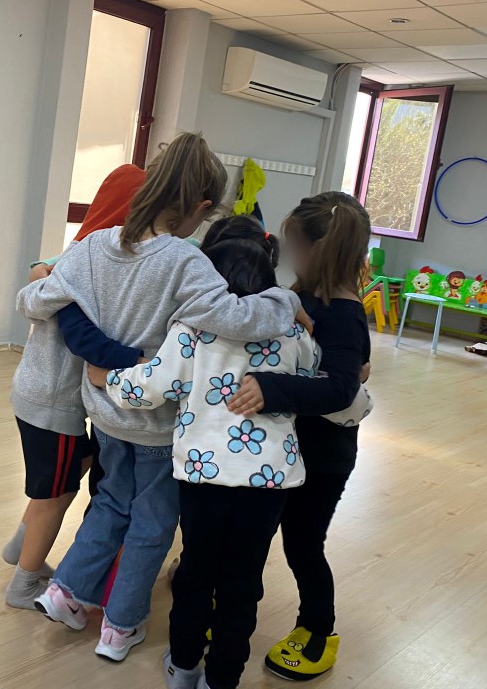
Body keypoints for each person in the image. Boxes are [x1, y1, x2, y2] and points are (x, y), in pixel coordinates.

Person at [16, 132, 307, 662]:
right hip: (156, 424)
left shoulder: (93, 247)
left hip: (105, 415)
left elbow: (33, 301)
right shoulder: (185, 261)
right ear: (199, 207)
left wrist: (42, 281)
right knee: (152, 524)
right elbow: (236, 318)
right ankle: (120, 627)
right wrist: (285, 302)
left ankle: (66, 592)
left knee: (109, 503)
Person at [88, 215, 371, 689]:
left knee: (196, 572)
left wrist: (108, 378)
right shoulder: (295, 331)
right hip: (268, 483)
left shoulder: (191, 330)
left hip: (203, 477)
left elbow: (150, 388)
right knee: (243, 582)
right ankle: (222, 679)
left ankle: (183, 667)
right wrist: (361, 389)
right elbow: (336, 395)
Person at [226, 192, 373, 682]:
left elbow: (341, 387)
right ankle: (232, 609)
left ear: (316, 250)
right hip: (283, 450)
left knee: (303, 544)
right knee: (253, 534)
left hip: (322, 457)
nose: (289, 254)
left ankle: (318, 630)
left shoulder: (344, 312)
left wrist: (272, 389)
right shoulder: (301, 297)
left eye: (294, 245)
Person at [1, 165, 151, 610]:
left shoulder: (77, 252)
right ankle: (24, 584)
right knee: (57, 494)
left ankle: (19, 547)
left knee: (73, 466)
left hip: (37, 393)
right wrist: (141, 362)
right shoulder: (95, 263)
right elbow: (82, 337)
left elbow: (39, 272)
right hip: (55, 402)